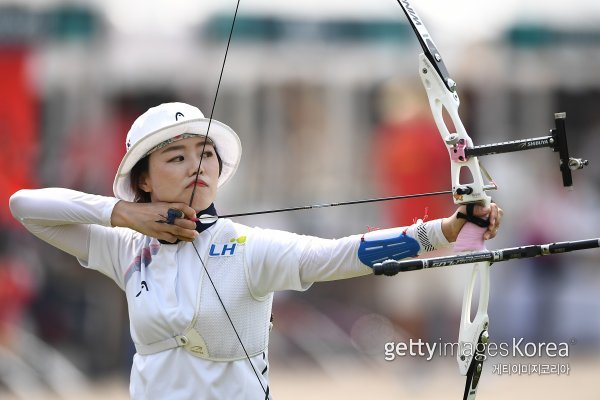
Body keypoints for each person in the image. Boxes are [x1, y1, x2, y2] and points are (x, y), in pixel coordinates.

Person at [9, 102, 502, 400]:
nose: (195, 166)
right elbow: (24, 205)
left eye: (205, 154)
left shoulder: (248, 247)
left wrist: (447, 229)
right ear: (144, 179)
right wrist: (124, 214)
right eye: (176, 157)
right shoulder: (126, 248)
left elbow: (343, 254)